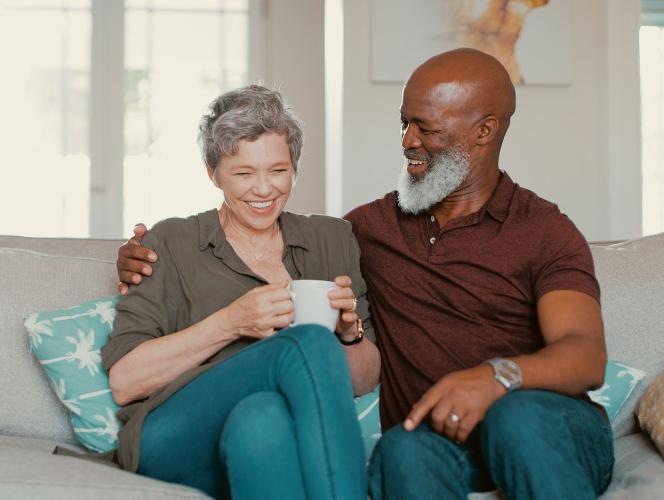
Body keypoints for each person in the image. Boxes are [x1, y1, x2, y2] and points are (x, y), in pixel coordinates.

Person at [118, 49, 613, 499]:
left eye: (426, 128)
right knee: (400, 448)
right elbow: (130, 371)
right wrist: (135, 257)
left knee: (516, 417)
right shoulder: (368, 229)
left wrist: (496, 378)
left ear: (483, 131)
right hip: (434, 435)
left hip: (537, 422)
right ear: (214, 173)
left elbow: (586, 354)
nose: (407, 141)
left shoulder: (543, 229)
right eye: (404, 124)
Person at [106, 85, 380, 500]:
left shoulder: (332, 239)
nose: (264, 189)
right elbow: (125, 382)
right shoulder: (171, 242)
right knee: (305, 341)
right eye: (243, 173)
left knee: (261, 419)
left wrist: (348, 334)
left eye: (278, 170)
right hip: (174, 437)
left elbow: (363, 379)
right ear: (212, 172)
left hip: (262, 431)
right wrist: (231, 322)